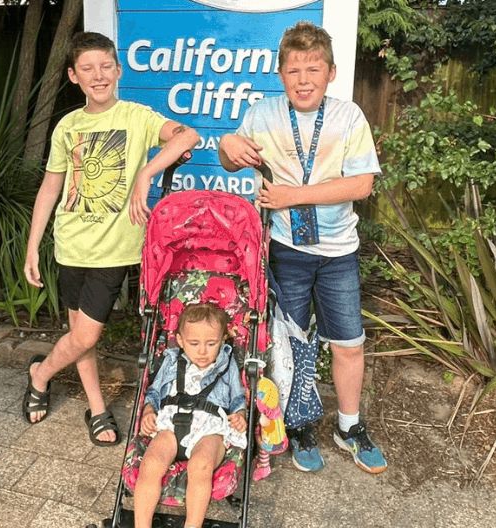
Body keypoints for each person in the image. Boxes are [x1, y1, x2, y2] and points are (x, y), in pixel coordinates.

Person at [216, 21, 387, 474]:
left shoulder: (348, 116)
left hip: (338, 253)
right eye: (294, 70)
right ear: (280, 73)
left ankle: (348, 426)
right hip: (283, 250)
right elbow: (229, 160)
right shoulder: (262, 112)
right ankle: (297, 425)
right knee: (289, 345)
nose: (304, 79)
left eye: (314, 69)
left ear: (331, 72)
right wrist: (227, 144)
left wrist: (293, 195)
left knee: (349, 342)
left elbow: (363, 184)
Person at [23, 31, 200, 447]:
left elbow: (187, 135)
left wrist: (145, 173)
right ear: (73, 76)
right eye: (87, 68)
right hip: (70, 243)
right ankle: (98, 408)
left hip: (113, 249)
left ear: (118, 70)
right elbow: (50, 188)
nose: (98, 75)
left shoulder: (138, 117)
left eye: (106, 66)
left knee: (86, 335)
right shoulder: (68, 126)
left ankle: (41, 373)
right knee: (78, 332)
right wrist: (34, 245)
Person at [133, 303, 247, 528]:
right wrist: (148, 410)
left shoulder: (227, 362)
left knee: (201, 464)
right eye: (194, 343)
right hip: (171, 422)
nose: (202, 351)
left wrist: (240, 414)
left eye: (211, 343)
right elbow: (154, 391)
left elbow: (237, 397)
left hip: (210, 428)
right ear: (181, 340)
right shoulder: (172, 360)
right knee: (152, 462)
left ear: (223, 339)